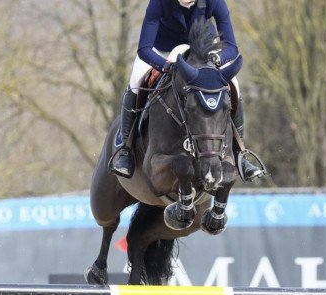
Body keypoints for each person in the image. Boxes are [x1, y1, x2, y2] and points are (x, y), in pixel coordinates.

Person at [110, 0, 264, 182]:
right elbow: (144, 48)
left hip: (203, 51)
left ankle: (241, 153)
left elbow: (231, 46)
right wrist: (165, 66)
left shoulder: (214, 2)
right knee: (135, 81)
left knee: (234, 85)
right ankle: (126, 150)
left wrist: (217, 58)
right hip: (163, 51)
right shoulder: (159, 3)